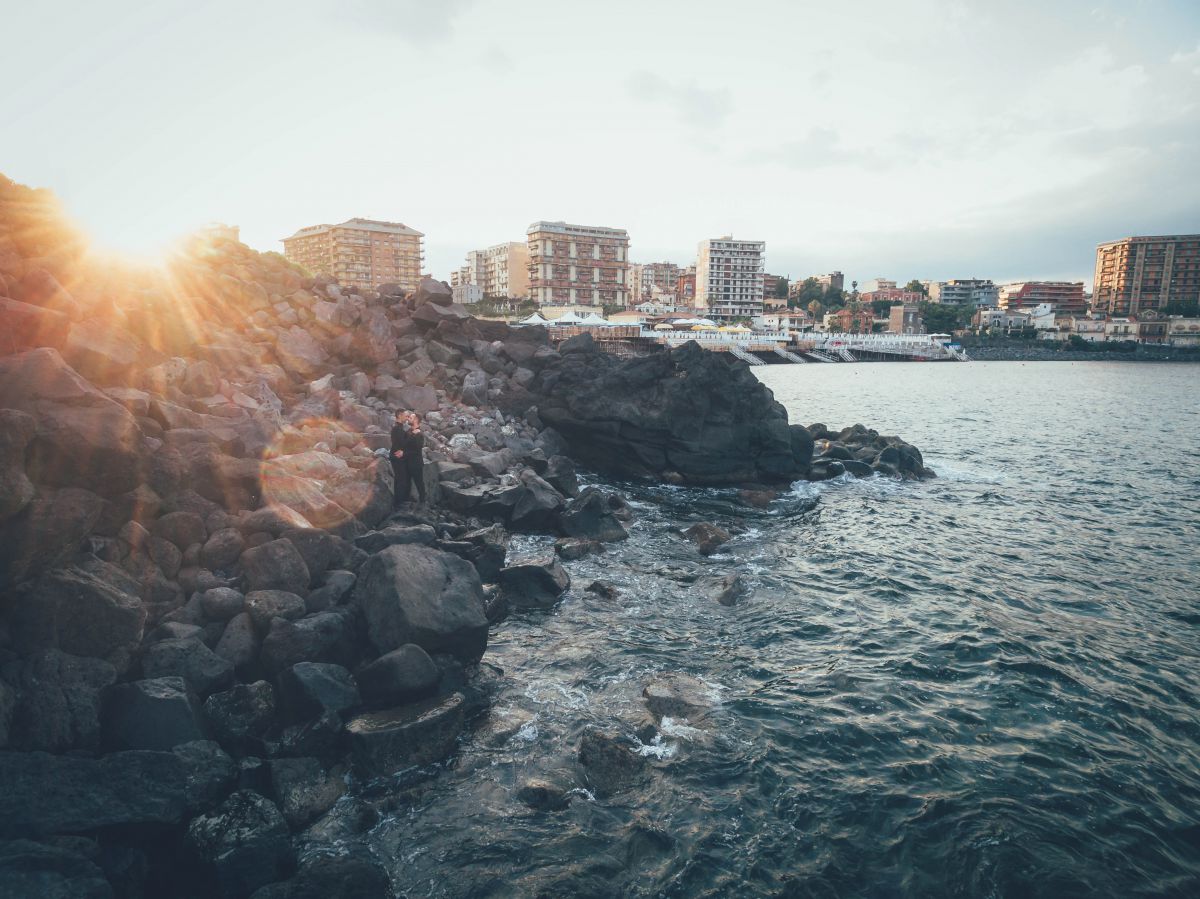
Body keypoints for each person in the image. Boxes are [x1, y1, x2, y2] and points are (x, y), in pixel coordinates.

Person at [390, 411, 427, 507]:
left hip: (416, 464)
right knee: (406, 483)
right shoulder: (408, 432)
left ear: (416, 420)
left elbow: (417, 450)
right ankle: (404, 502)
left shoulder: (419, 434)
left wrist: (403, 453)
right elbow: (403, 444)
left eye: (410, 417)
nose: (408, 418)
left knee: (419, 483)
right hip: (406, 463)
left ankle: (423, 502)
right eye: (408, 417)